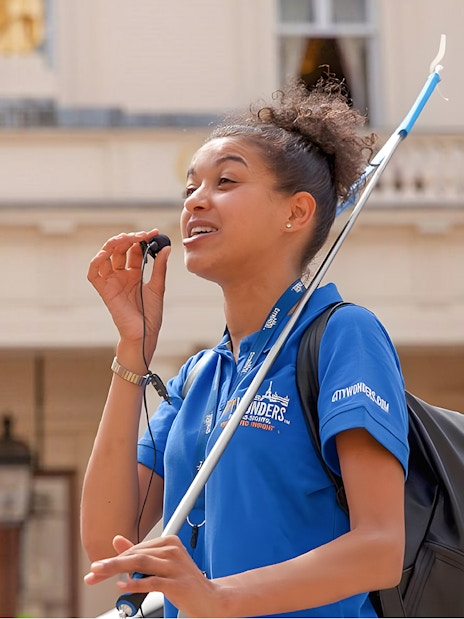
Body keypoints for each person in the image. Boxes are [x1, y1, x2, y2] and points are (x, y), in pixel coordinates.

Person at [81, 77, 409, 618]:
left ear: (296, 213)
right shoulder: (197, 377)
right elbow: (109, 542)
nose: (195, 201)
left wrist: (217, 598)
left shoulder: (343, 335)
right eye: (190, 188)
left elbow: (380, 549)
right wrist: (133, 349)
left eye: (226, 181)